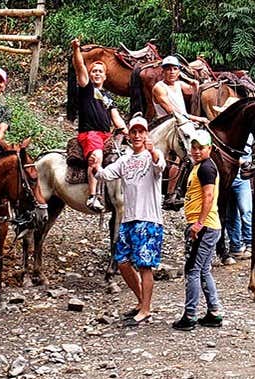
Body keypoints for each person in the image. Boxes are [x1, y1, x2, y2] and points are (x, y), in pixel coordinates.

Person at [95, 115, 165, 326]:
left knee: (145, 266)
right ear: (129, 136)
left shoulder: (153, 155)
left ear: (146, 135)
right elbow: (104, 175)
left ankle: (145, 309)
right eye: (133, 132)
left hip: (148, 218)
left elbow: (159, 166)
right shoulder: (124, 160)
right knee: (122, 262)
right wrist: (95, 166)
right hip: (128, 219)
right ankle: (140, 301)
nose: (136, 135)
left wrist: (152, 151)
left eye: (140, 132)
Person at [172, 130, 223, 331]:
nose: (196, 151)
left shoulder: (206, 169)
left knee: (192, 269)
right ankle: (214, 312)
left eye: (201, 147)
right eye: (194, 147)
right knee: (202, 269)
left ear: (209, 148)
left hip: (205, 226)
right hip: (207, 225)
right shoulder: (200, 167)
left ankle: (190, 315)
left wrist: (199, 224)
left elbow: (209, 196)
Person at [71, 37, 127, 212]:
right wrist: (76, 50)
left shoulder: (109, 97)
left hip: (106, 135)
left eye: (99, 71)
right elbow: (79, 67)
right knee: (97, 156)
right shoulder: (86, 88)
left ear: (105, 76)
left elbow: (116, 118)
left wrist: (128, 132)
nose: (96, 73)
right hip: (90, 133)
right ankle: (93, 196)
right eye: (93, 70)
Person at [152, 55, 208, 210]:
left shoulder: (177, 84)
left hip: (182, 122)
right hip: (167, 124)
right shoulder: (159, 87)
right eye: (168, 69)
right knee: (180, 153)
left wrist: (195, 82)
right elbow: (173, 111)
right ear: (163, 71)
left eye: (175, 69)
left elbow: (192, 90)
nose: (171, 72)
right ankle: (170, 194)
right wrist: (198, 118)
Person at [222, 133, 253, 264]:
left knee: (246, 210)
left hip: (242, 178)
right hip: (228, 177)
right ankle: (235, 246)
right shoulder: (227, 132)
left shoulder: (249, 134)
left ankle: (250, 243)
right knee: (231, 215)